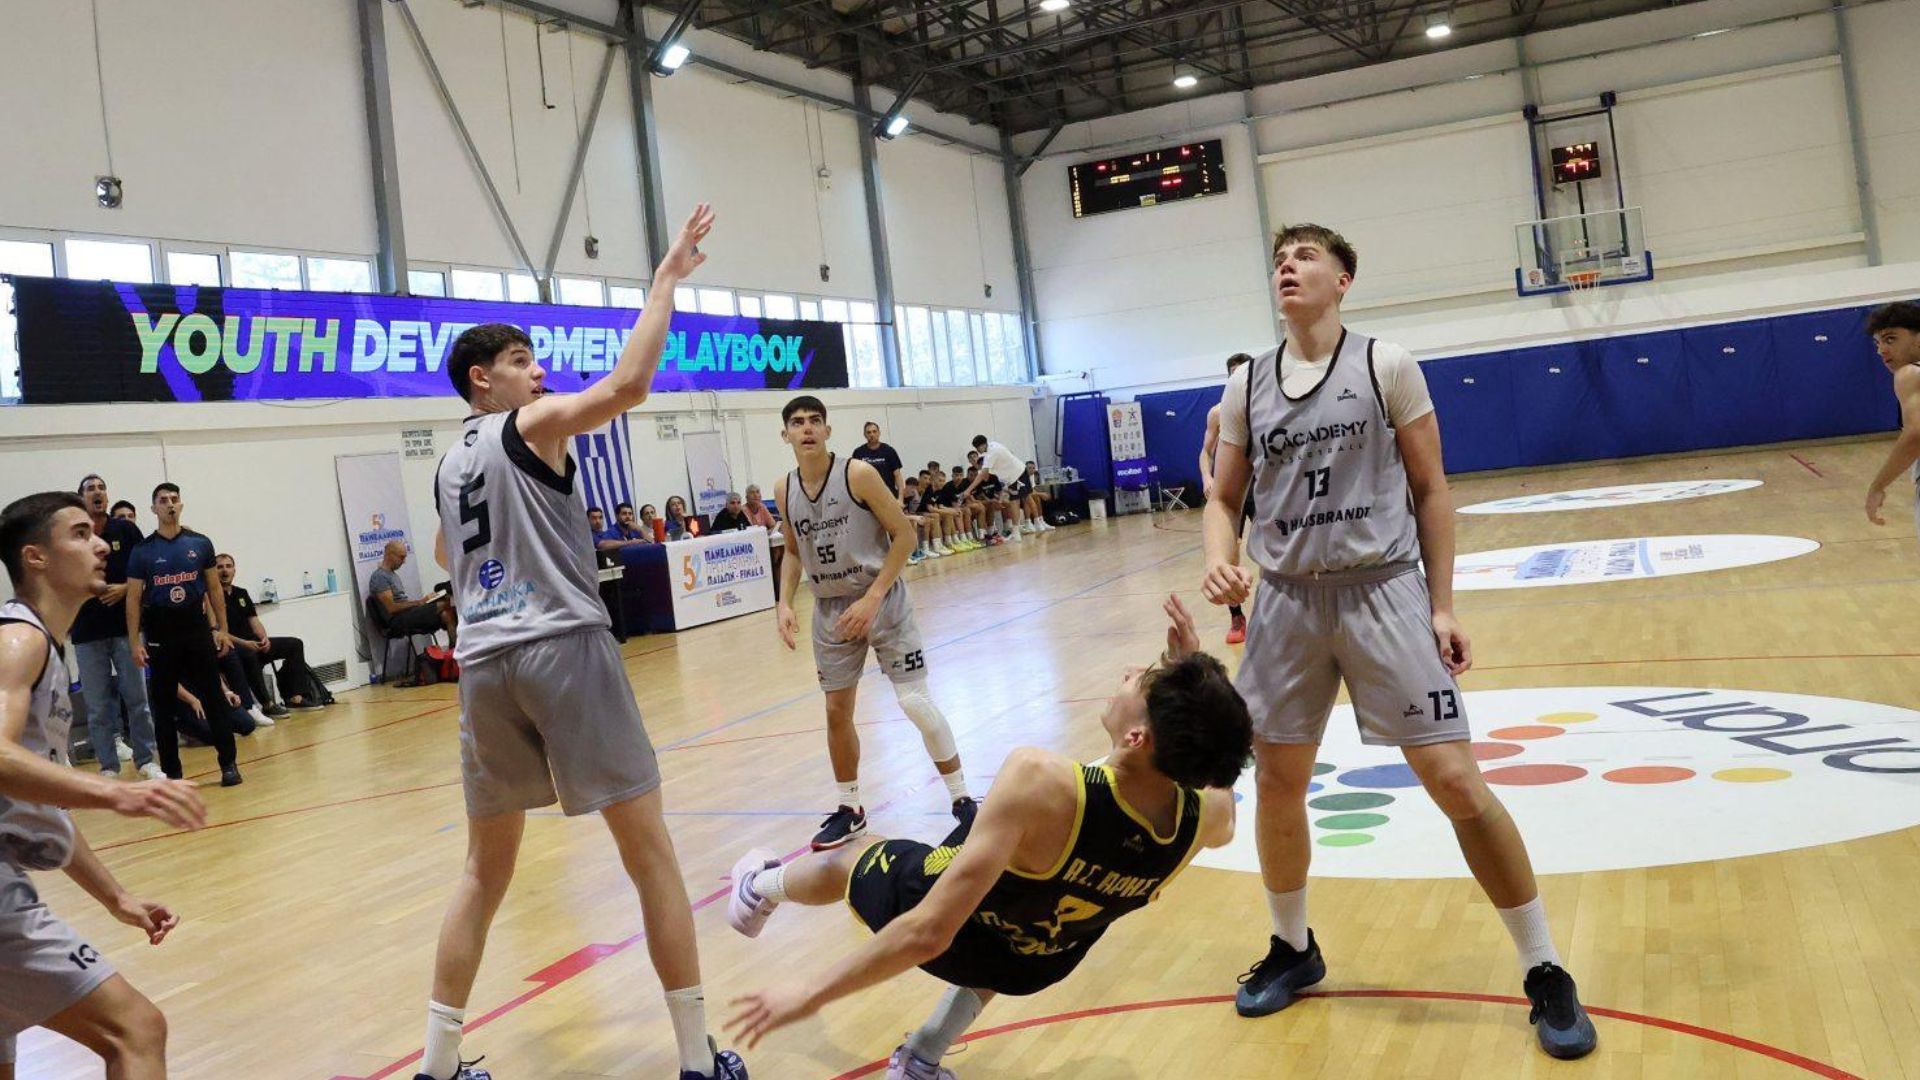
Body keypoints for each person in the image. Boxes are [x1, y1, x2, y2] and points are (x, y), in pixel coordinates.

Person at [1202, 223, 1596, 1059]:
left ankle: (1545, 967)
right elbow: (1223, 498)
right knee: (1278, 781)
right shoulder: (1246, 385)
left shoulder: (1387, 364)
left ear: (1344, 279)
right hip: (1285, 601)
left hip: (1382, 589)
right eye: (1279, 259)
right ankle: (1293, 947)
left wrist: (1442, 605)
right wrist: (1218, 560)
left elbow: (1430, 488)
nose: (1287, 267)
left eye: (1306, 256)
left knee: (1455, 779)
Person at [418, 204, 745, 1080]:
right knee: (650, 853)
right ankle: (696, 1060)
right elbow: (629, 385)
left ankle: (438, 1066)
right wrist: (665, 281)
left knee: (483, 873)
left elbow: (448, 554)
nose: (539, 373)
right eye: (522, 362)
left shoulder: (449, 462)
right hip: (561, 645)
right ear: (482, 379)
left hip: (483, 664)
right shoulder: (529, 426)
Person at [724, 595, 1247, 1077]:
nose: (1130, 672)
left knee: (854, 858)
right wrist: (1197, 695)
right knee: (1030, 903)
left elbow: (929, 932)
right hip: (1036, 963)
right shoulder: (1206, 821)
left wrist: (810, 993)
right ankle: (921, 1057)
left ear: (1137, 736)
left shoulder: (1041, 782)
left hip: (942, 925)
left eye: (1143, 680)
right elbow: (1219, 775)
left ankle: (757, 888)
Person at [0, 491, 209, 1080]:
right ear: (36, 557)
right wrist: (118, 792)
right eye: (79, 533)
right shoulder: (20, 641)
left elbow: (38, 803)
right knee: (137, 1030)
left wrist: (115, 897)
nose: (99, 545)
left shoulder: (42, 644)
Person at [773, 396, 974, 852]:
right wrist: (783, 602)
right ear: (785, 434)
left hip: (880, 597)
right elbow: (792, 551)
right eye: (798, 423)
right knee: (835, 711)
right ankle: (850, 809)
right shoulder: (784, 489)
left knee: (914, 701)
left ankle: (963, 801)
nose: (807, 428)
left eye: (815, 421)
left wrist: (874, 596)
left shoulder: (858, 474)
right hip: (830, 608)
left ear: (828, 430)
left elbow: (905, 534)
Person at [124, 484, 242, 787]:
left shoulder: (199, 544)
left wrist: (223, 630)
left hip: (195, 628)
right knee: (163, 706)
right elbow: (133, 598)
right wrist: (134, 642)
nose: (170, 505)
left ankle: (228, 764)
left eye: (174, 500)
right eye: (163, 501)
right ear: (154, 509)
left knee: (214, 698)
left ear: (181, 505)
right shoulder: (143, 551)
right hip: (161, 632)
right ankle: (173, 775)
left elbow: (214, 589)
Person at [70, 475, 162, 779]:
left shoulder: (125, 530)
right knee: (98, 707)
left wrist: (125, 589)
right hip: (87, 633)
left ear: (107, 497)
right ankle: (108, 766)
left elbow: (148, 571)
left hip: (127, 630)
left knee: (138, 700)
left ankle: (146, 760)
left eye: (101, 488)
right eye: (90, 489)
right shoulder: (73, 535)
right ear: (81, 498)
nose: (97, 493)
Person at [213, 553, 320, 713]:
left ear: (234, 570)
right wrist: (245, 644)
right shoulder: (211, 597)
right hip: (235, 647)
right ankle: (267, 704)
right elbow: (218, 631)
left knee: (295, 644)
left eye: (228, 566)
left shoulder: (241, 593)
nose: (225, 570)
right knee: (249, 654)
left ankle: (295, 698)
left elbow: (254, 621)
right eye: (220, 567)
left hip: (253, 642)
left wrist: (264, 639)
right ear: (213, 571)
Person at [1199, 353, 1257, 645]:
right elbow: (1205, 452)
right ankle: (1237, 616)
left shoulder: (1266, 405)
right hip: (1233, 485)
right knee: (1229, 552)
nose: (1239, 377)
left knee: (1277, 544)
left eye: (1244, 371)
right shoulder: (1218, 412)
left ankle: (1279, 609)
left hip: (1260, 484)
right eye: (1234, 373)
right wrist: (1207, 477)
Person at [1863, 302, 1920, 533]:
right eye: (1878, 343)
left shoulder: (1909, 373)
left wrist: (1877, 486)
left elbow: (1916, 435)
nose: (1881, 350)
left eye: (1890, 339)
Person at [368, 540, 457, 649]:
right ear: (390, 555)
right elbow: (391, 608)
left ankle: (454, 650)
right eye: (401, 557)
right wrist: (419, 602)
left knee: (446, 613)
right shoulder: (380, 577)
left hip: (406, 614)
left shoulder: (392, 575)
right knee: (445, 604)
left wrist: (423, 602)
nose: (404, 561)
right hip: (396, 621)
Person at [851, 422, 906, 498]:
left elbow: (898, 476)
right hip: (867, 497)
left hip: (888, 496)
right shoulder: (858, 453)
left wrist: (901, 498)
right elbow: (854, 477)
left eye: (874, 431)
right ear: (864, 435)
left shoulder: (889, 451)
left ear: (879, 433)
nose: (872, 435)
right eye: (869, 432)